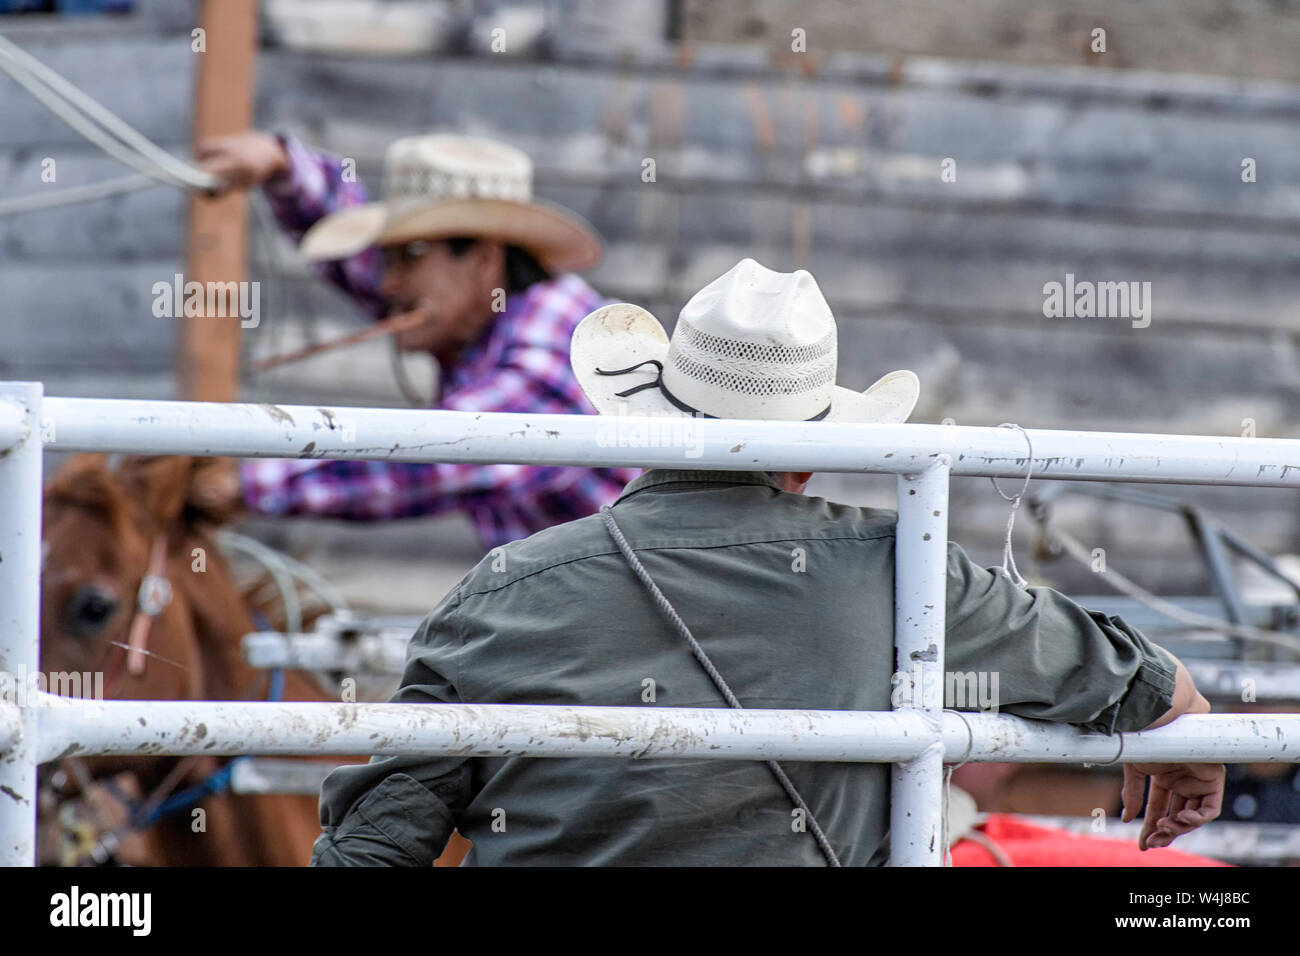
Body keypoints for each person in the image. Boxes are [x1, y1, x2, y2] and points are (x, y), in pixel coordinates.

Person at [309, 258, 1223, 866]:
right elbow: (1136, 679)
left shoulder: (500, 592)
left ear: (649, 417)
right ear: (810, 449)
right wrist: (1194, 745)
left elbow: (377, 842)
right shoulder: (903, 576)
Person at [196, 131, 637, 549]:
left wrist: (244, 487)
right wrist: (281, 163)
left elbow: (443, 455)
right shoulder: (478, 311)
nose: (387, 284)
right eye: (389, 257)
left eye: (411, 255)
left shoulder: (561, 354)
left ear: (484, 259)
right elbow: (363, 264)